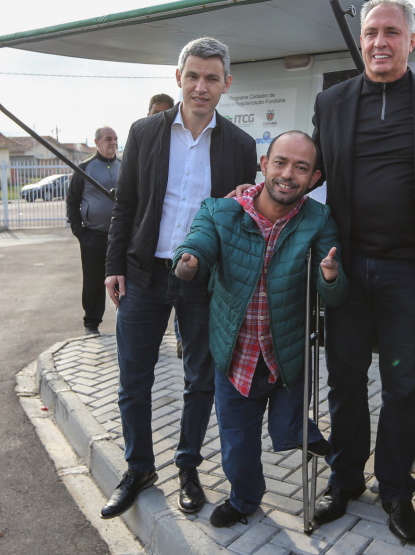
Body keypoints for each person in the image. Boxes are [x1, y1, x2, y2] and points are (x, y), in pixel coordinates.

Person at [309, 0, 415, 543]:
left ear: (411, 41)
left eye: (391, 32)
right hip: (344, 273)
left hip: (406, 277)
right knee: (344, 381)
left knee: (402, 386)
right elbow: (307, 173)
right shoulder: (331, 102)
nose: (378, 42)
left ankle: (395, 488)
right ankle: (344, 479)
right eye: (371, 32)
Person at [101, 37, 258, 520]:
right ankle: (139, 467)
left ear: (226, 84)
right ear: (178, 78)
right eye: (193, 75)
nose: (201, 86)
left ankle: (187, 464)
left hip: (203, 283)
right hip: (145, 275)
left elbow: (238, 219)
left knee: (200, 380)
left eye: (212, 78)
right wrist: (113, 266)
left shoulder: (240, 144)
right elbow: (125, 204)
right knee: (134, 379)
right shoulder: (145, 133)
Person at [173, 130, 347, 527]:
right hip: (234, 354)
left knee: (286, 430)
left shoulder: (318, 219)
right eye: (281, 163)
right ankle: (245, 498)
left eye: (301, 168)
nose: (289, 174)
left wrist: (331, 276)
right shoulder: (221, 210)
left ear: (314, 178)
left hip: (286, 355)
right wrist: (189, 260)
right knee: (237, 445)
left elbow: (334, 296)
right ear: (264, 165)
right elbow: (199, 242)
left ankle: (297, 430)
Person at [65, 125, 119, 336]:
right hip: (93, 236)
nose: (112, 142)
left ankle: (125, 321)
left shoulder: (124, 166)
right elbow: (73, 202)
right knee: (93, 281)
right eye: (108, 139)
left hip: (119, 238)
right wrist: (80, 232)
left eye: (115, 139)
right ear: (97, 142)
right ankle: (91, 323)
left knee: (123, 279)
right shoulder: (84, 168)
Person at [145, 93, 184, 359]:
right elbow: (125, 206)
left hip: (189, 261)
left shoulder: (184, 147)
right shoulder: (141, 143)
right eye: (155, 113)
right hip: (148, 265)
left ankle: (181, 339)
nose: (160, 118)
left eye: (165, 113)